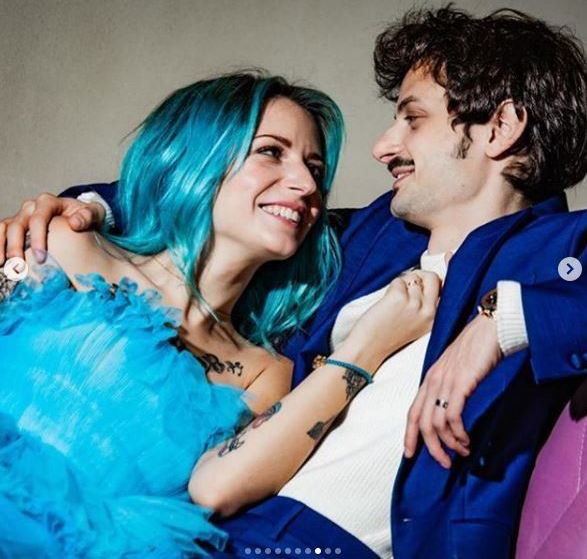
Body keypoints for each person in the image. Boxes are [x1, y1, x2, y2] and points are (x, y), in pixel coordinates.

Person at [3, 5, 587, 559]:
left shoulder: (557, 252)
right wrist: (86, 210)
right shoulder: (377, 240)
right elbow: (218, 196)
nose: (382, 147)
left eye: (412, 118)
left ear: (501, 126)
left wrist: (500, 322)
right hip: (223, 532)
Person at [0, 71, 440, 557]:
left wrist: (365, 349)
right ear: (200, 157)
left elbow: (220, 489)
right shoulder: (65, 244)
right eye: (271, 152)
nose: (305, 185)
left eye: (315, 169)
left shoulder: (263, 373)